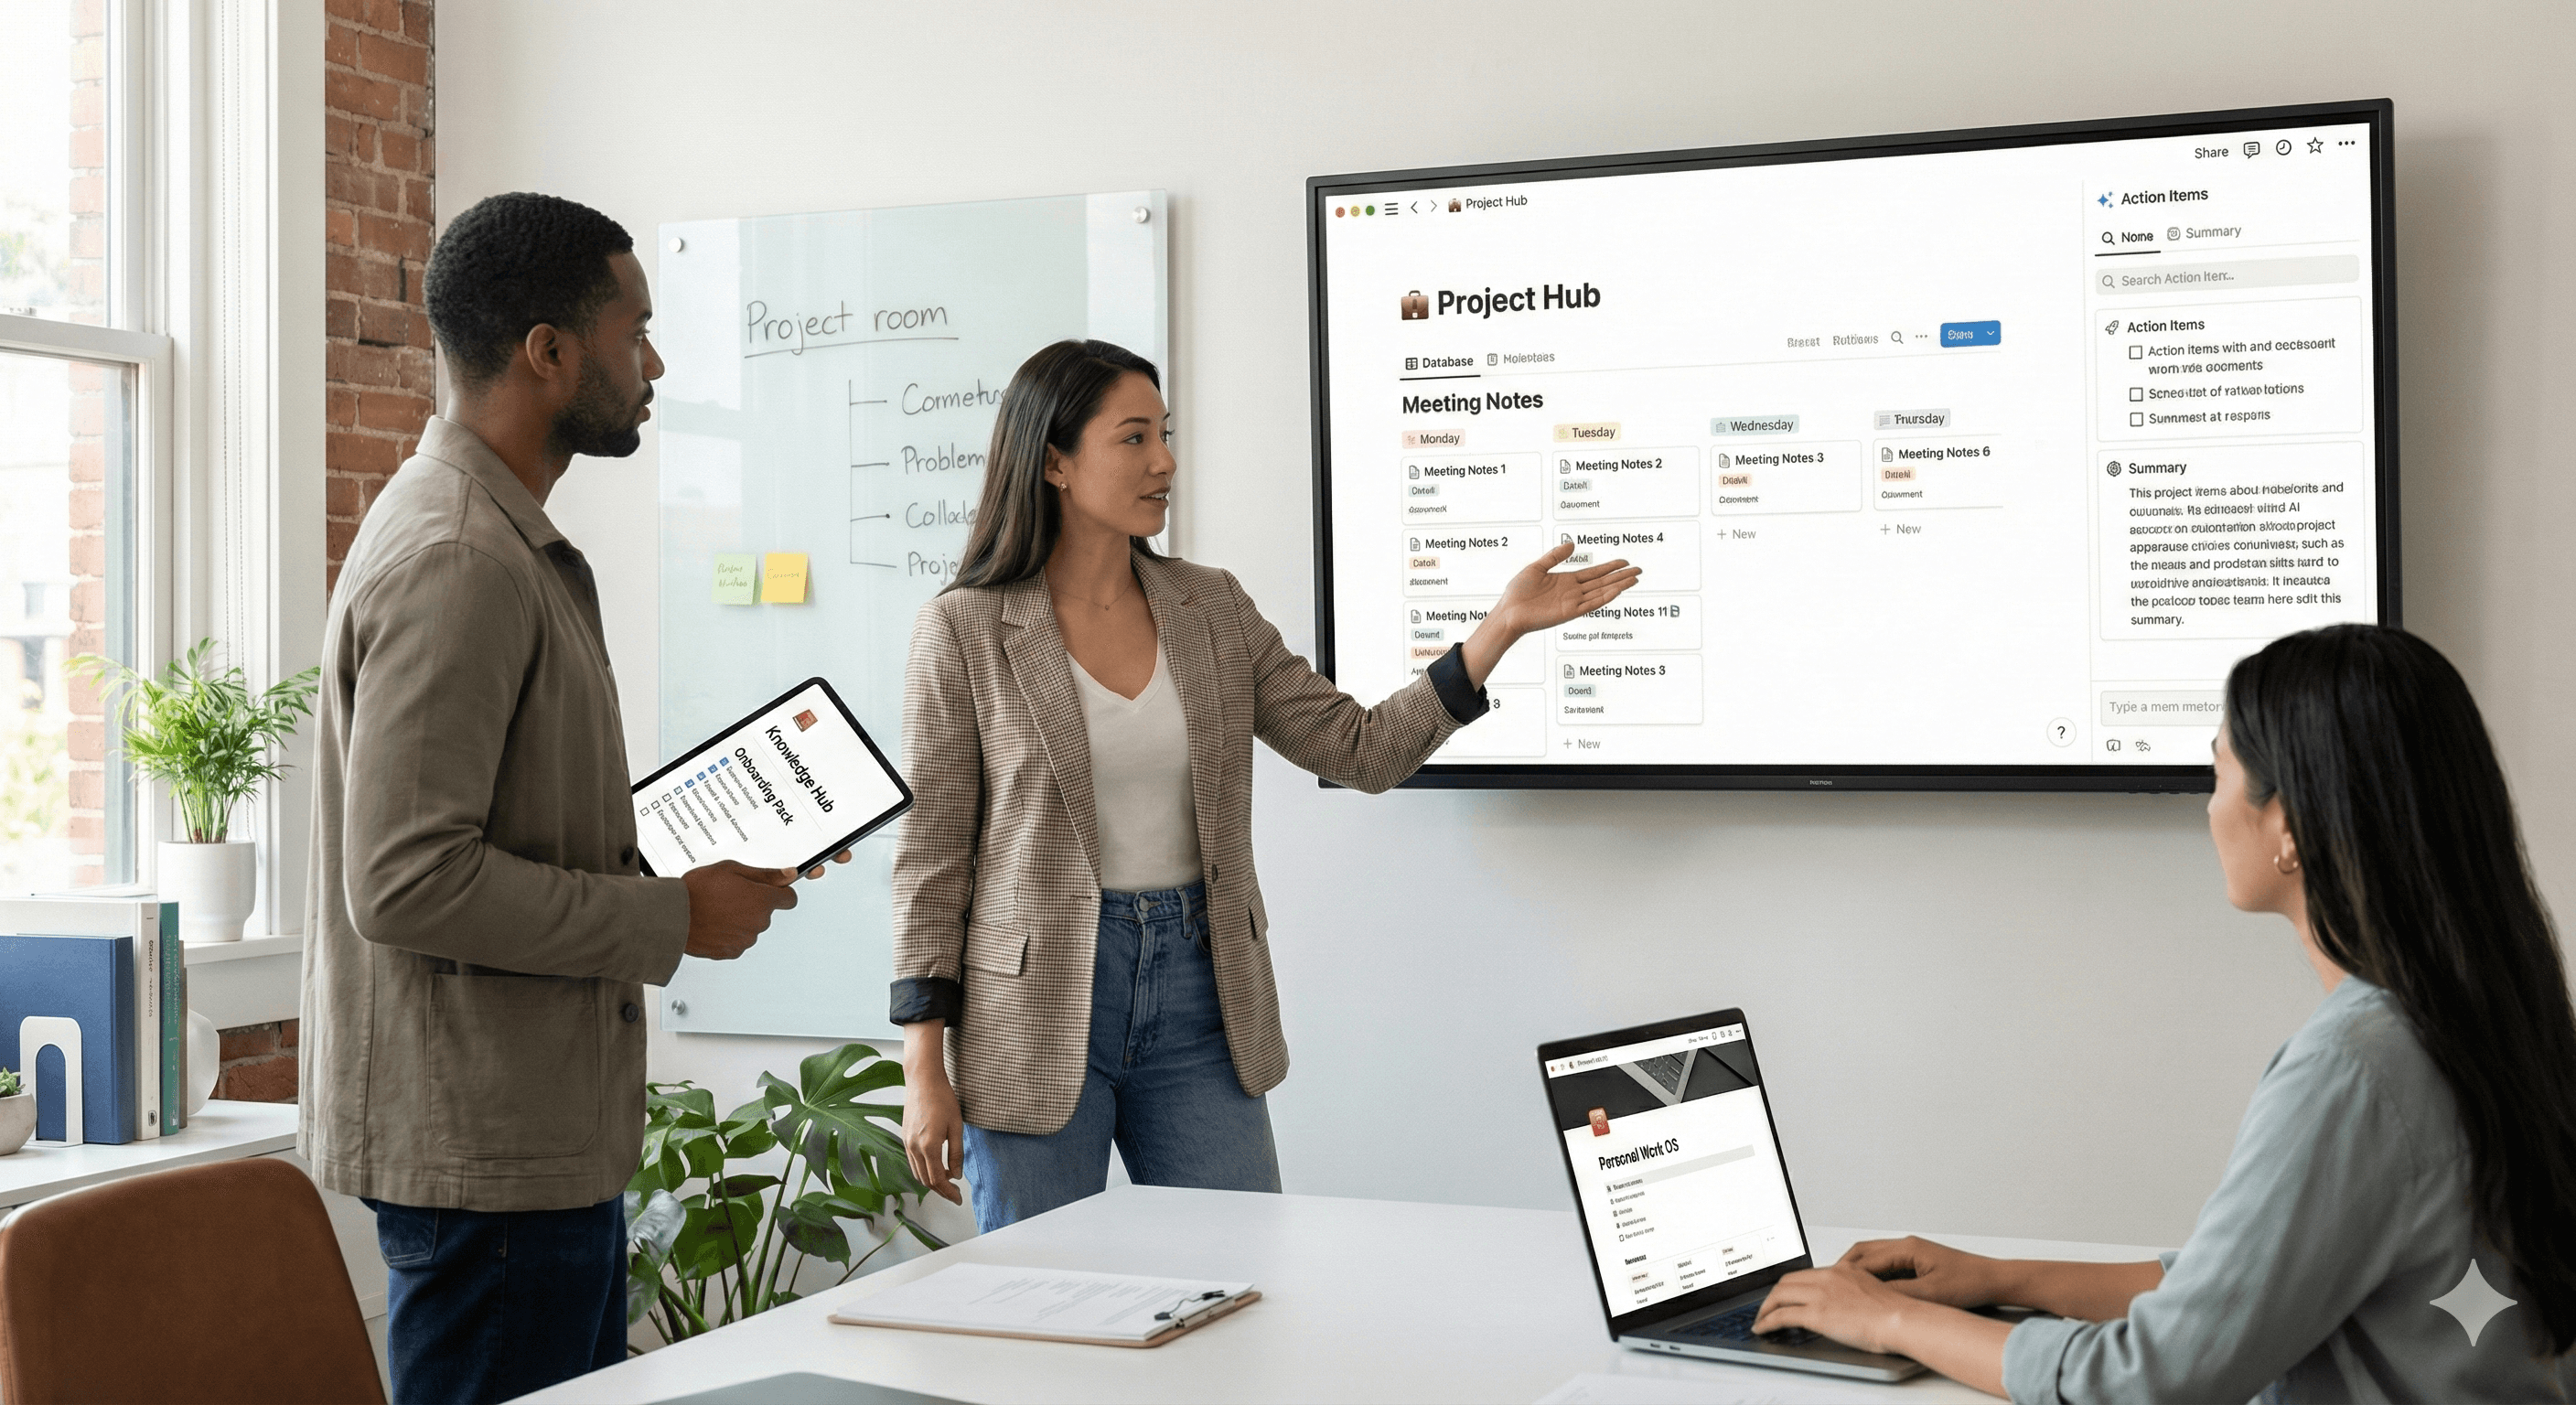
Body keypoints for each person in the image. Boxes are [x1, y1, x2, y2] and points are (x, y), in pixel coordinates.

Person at [892, 339, 1639, 1230]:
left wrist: (1497, 630)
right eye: (1133, 438)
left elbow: (1358, 750)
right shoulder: (965, 628)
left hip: (1200, 991)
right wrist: (922, 1067)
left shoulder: (1210, 606)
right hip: (1030, 1010)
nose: (1165, 462)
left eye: (1165, 434)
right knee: (1041, 1285)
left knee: (1240, 1270)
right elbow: (931, 859)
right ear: (1054, 461)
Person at [303, 192, 841, 1405]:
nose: (655, 365)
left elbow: (506, 831)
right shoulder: (458, 556)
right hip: (488, 1159)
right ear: (548, 351)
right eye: (634, 332)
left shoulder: (494, 540)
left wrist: (698, 869)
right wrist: (673, 918)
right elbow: (406, 881)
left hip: (527, 1143)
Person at [1752, 624, 2576, 1401]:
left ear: (2289, 824)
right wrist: (2002, 1279)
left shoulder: (2355, 1067)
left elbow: (2151, 1380)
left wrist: (1886, 1320)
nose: (2209, 808)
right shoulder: (2490, 1017)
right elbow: (2241, 1291)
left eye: (2218, 772)